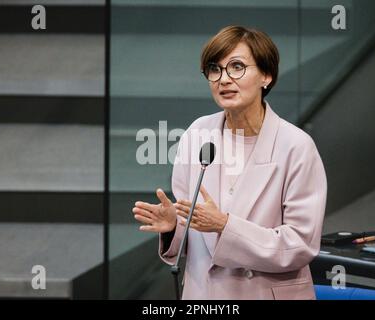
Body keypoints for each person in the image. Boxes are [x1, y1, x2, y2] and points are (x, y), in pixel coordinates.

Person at [132, 25, 327, 300]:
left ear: (267, 76)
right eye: (215, 69)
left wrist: (226, 225)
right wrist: (174, 227)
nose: (223, 79)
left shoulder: (296, 146)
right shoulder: (197, 134)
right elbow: (195, 232)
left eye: (236, 67)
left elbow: (300, 244)